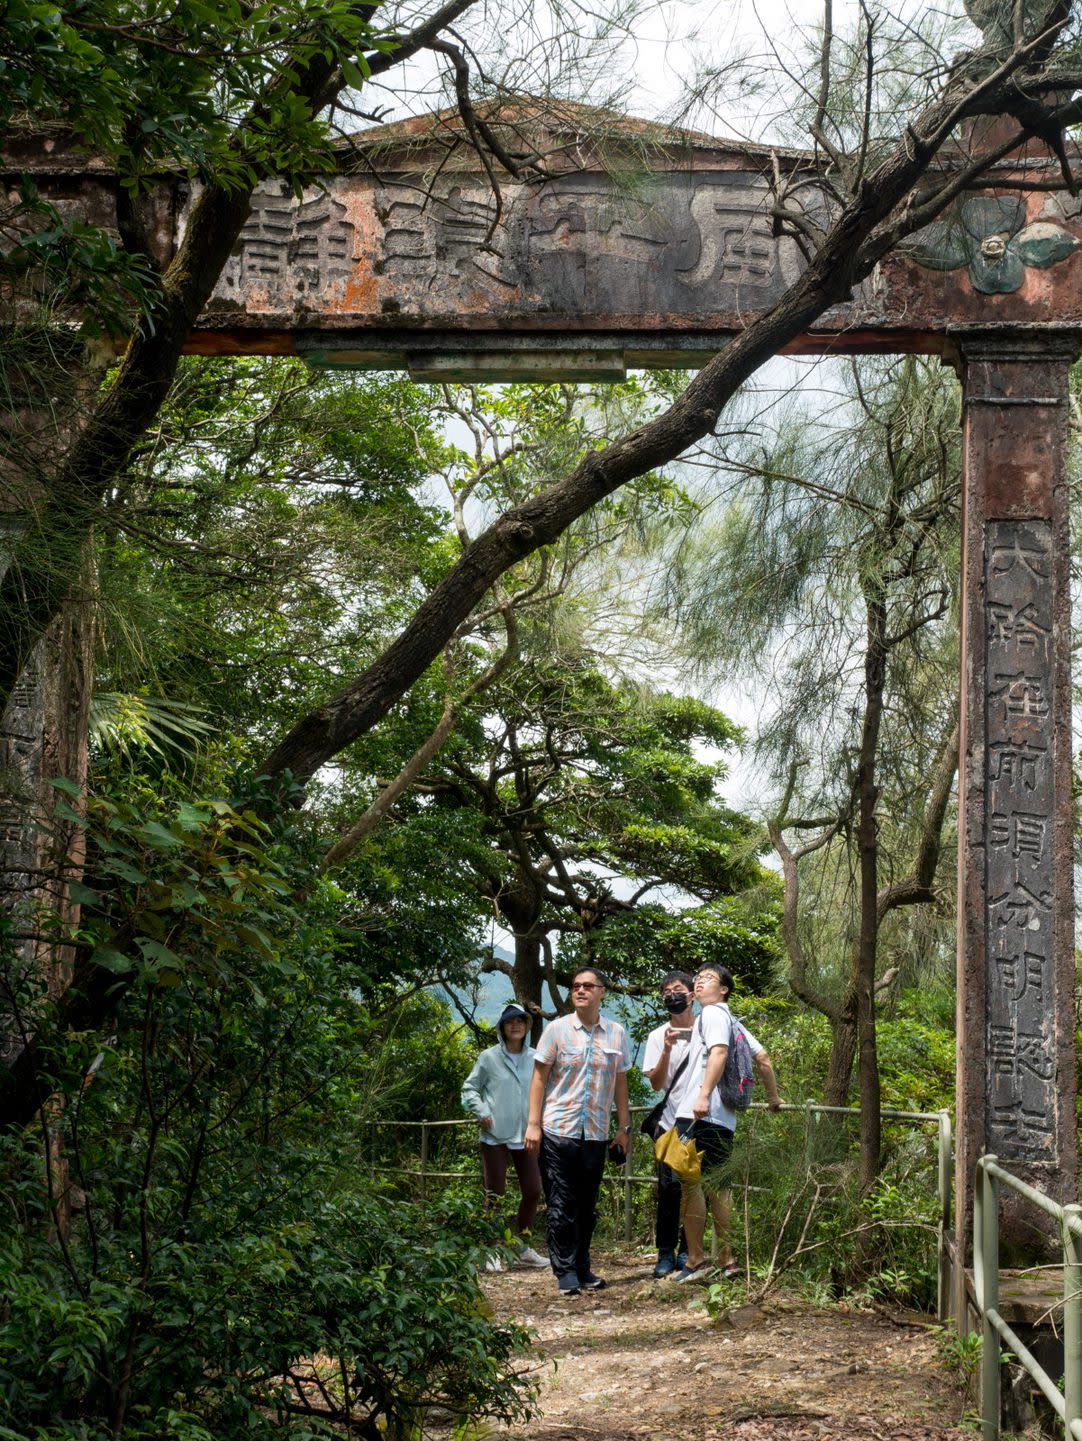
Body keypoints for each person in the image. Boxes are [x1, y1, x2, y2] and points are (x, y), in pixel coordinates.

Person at [524, 967, 633, 1297]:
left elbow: (620, 1084)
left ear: (602, 991)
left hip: (596, 1133)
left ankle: (583, 1266)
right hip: (559, 1129)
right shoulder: (557, 1030)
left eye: (588, 986)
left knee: (587, 1204)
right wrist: (533, 1124)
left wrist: (623, 1129)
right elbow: (539, 1079)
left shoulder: (616, 1034)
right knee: (561, 1202)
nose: (581, 990)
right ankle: (565, 1270)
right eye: (575, 986)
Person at [669, 964, 781, 1283]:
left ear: (724, 990)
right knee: (719, 1186)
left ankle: (695, 1261)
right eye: (697, 979)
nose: (699, 982)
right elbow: (763, 1059)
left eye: (707, 979)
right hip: (724, 1118)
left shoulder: (713, 1015)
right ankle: (727, 1261)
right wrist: (774, 1098)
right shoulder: (734, 1022)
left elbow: (718, 1053)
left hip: (698, 1113)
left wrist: (702, 1096)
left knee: (690, 1185)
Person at [460, 1003, 548, 1269]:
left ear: (527, 1026)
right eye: (510, 1022)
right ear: (502, 1028)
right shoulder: (488, 1058)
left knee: (533, 1190)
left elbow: (546, 1088)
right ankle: (493, 1251)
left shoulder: (536, 1057)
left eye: (520, 1021)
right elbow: (469, 1089)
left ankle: (522, 1247)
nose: (516, 1025)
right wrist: (482, 1111)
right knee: (495, 1195)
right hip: (495, 1135)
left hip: (527, 1134)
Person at [640, 970, 696, 1277]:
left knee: (694, 1189)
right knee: (668, 1188)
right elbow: (656, 1084)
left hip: (700, 1122)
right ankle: (665, 1252)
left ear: (692, 995)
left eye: (677, 990)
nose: (672, 996)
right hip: (669, 1123)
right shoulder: (656, 1036)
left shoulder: (706, 1030)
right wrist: (666, 1048)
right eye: (666, 993)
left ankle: (690, 1250)